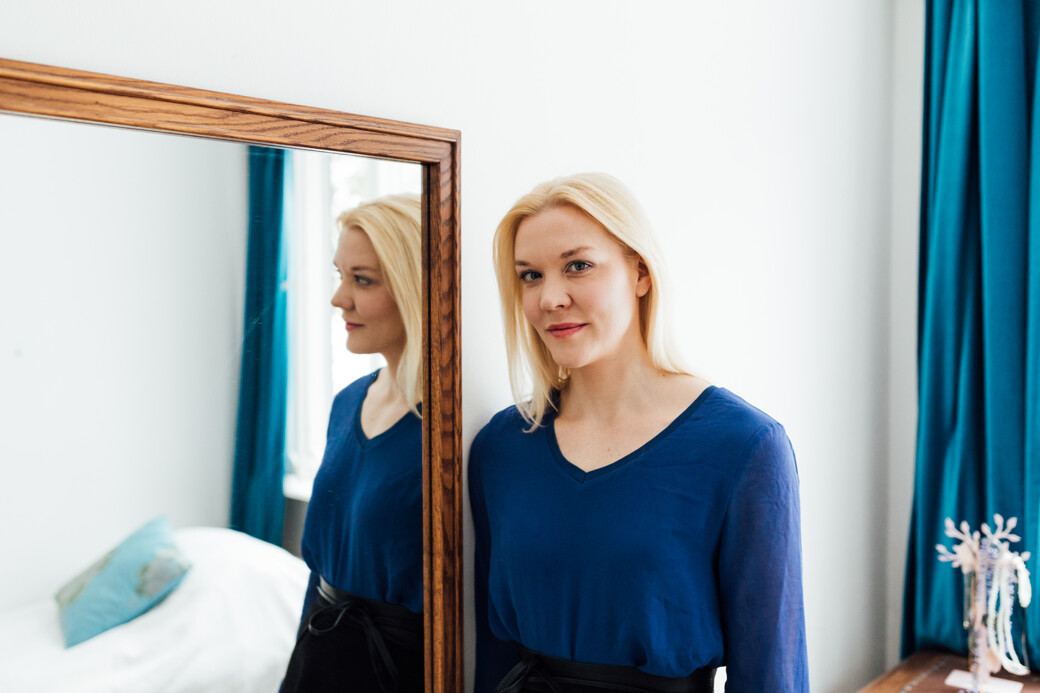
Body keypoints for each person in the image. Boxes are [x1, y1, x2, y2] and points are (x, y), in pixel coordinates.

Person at [469, 173, 809, 692]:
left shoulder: (744, 447)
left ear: (640, 273)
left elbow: (770, 674)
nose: (548, 298)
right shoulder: (501, 447)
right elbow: (492, 656)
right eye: (530, 276)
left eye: (577, 266)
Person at [282, 193, 424, 693]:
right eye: (340, 275)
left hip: (392, 672)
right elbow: (319, 572)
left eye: (361, 280)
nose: (339, 297)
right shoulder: (347, 403)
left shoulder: (452, 431)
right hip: (320, 655)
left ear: (415, 289)